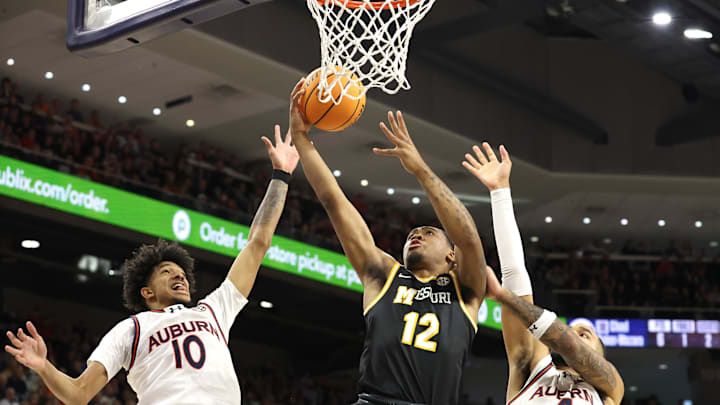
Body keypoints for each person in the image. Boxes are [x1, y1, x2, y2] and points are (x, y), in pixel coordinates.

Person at [4, 125, 299, 405]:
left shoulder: (213, 311)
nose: (180, 276)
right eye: (168, 272)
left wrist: (281, 176)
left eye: (182, 273)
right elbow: (78, 394)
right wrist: (43, 366)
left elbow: (257, 243)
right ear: (146, 292)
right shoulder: (131, 329)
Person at [288, 78, 488, 405]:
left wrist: (421, 170)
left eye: (428, 232)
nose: (417, 235)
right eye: (412, 234)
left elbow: (468, 238)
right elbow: (334, 202)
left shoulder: (465, 290)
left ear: (452, 257)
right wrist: (300, 138)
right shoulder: (384, 275)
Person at [463, 143, 624, 405]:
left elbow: (570, 345)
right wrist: (500, 192)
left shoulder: (610, 386)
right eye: (574, 329)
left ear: (601, 356)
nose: (576, 333)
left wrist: (504, 297)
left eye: (587, 334)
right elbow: (514, 272)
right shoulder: (529, 368)